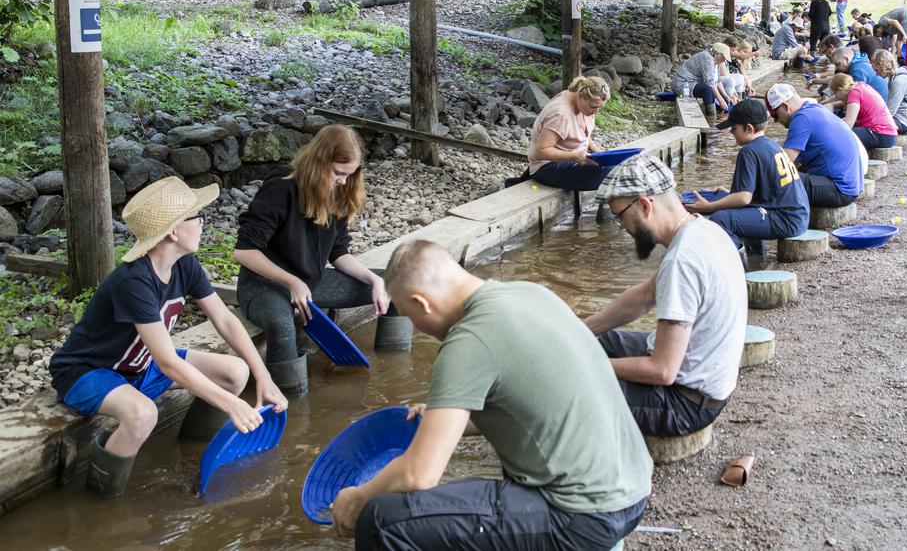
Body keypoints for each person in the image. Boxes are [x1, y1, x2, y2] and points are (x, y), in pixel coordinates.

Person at [335, 241, 651, 549]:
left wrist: (358, 498)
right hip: (632, 490)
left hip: (582, 516)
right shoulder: (530, 293)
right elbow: (524, 407)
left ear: (422, 303)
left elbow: (419, 475)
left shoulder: (467, 342)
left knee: (382, 518)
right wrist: (443, 421)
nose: (417, 328)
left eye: (408, 315)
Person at [49, 177, 286, 498]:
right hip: (88, 373)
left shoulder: (184, 264)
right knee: (143, 414)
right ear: (173, 231)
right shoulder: (134, 282)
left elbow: (226, 321)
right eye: (196, 217)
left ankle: (193, 452)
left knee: (236, 372)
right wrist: (231, 404)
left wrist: (264, 376)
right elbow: (168, 363)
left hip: (140, 368)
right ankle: (101, 498)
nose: (203, 223)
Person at [583, 154, 747, 437]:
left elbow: (662, 370)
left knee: (571, 387)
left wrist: (589, 366)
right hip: (707, 385)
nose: (622, 227)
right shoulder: (702, 229)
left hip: (685, 404)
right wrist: (581, 330)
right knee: (594, 342)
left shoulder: (682, 261)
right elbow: (645, 295)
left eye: (621, 216)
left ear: (645, 205)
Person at [234, 125, 403, 398]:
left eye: (350, 175)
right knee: (281, 325)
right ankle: (292, 407)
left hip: (311, 282)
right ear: (318, 162)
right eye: (338, 173)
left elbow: (339, 253)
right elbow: (244, 252)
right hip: (264, 285)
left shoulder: (340, 193)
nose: (344, 182)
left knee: (396, 285)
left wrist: (374, 281)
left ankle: (395, 377)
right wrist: (291, 281)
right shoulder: (281, 188)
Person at [684, 99, 810, 254]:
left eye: (734, 128)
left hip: (785, 220)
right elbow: (753, 194)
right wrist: (729, 195)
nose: (731, 132)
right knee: (735, 208)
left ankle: (738, 265)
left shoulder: (749, 151)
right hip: (797, 216)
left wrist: (708, 207)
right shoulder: (771, 144)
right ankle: (756, 258)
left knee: (721, 218)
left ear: (749, 128)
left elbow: (744, 198)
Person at [766, 83, 864, 208]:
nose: (776, 121)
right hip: (849, 184)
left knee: (772, 180)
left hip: (839, 190)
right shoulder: (815, 108)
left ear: (786, 107)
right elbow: (794, 162)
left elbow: (783, 163)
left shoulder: (801, 119)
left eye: (775, 115)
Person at [524, 75, 614, 192]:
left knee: (621, 168)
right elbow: (540, 151)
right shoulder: (560, 114)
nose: (596, 112)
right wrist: (574, 156)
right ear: (580, 96)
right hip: (548, 167)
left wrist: (600, 155)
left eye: (600, 108)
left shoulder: (583, 105)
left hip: (572, 160)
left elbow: (583, 135)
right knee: (613, 176)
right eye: (593, 107)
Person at [828, 74, 898, 150]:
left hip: (881, 134)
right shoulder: (860, 85)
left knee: (838, 136)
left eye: (835, 93)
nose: (836, 97)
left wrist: (830, 127)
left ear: (840, 89)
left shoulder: (854, 93)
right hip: (888, 134)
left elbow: (849, 123)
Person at [672, 43, 734, 119]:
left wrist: (726, 96)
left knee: (722, 98)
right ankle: (711, 118)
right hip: (683, 84)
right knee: (707, 90)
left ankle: (718, 115)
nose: (724, 61)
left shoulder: (716, 62)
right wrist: (720, 99)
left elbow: (718, 80)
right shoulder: (707, 58)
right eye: (724, 58)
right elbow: (710, 83)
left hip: (694, 83)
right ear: (718, 54)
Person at [874, 49, 907, 135]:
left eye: (877, 70)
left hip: (904, 122)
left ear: (882, 66)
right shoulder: (896, 77)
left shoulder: (899, 81)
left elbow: (890, 111)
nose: (876, 74)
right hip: (901, 119)